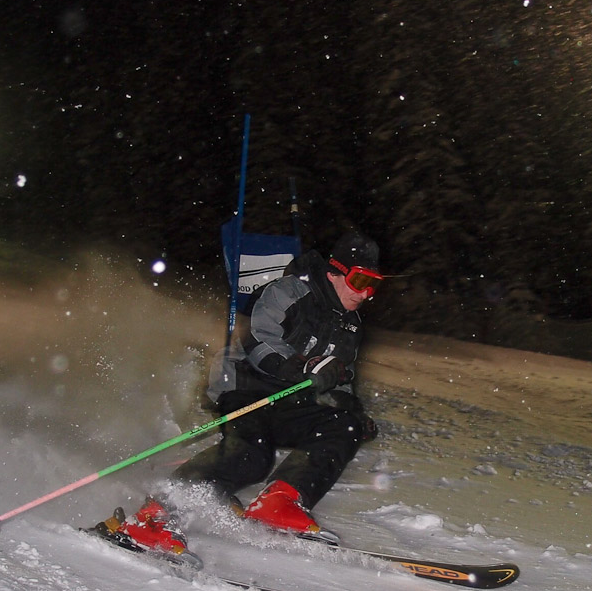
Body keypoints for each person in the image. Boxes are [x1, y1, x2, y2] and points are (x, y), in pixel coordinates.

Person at [95, 230, 383, 555]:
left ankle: (279, 501)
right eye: (360, 281)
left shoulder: (350, 324)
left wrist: (350, 407)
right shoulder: (289, 292)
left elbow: (341, 376)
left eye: (374, 285)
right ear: (334, 272)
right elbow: (258, 341)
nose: (366, 293)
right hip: (248, 387)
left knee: (344, 426)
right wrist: (301, 368)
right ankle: (152, 517)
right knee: (252, 455)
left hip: (293, 401)